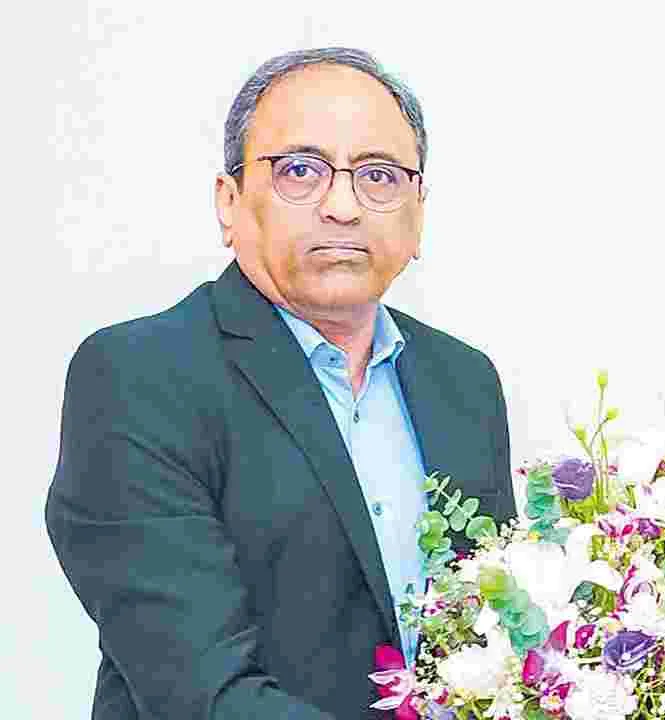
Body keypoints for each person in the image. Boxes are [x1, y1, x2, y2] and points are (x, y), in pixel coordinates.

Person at [45, 47, 517, 719]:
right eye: (300, 170)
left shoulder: (463, 382)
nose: (343, 206)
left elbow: (495, 643)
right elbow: (203, 694)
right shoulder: (139, 377)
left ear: (418, 211)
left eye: (379, 176)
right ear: (229, 201)